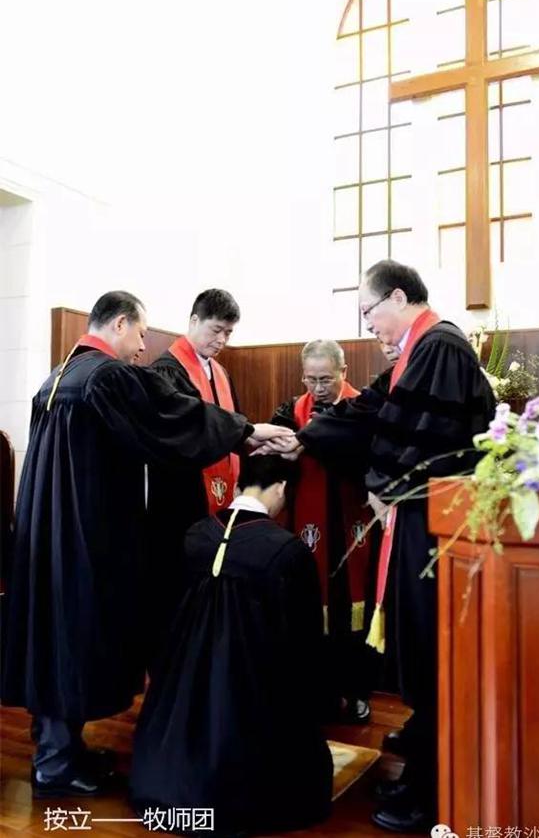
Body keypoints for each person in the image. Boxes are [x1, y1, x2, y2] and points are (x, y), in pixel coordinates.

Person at [1, 291, 291, 799]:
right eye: (139, 335)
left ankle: (58, 751)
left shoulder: (57, 376)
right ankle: (55, 766)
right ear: (119, 324)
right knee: (72, 640)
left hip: (47, 534)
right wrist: (246, 431)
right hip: (85, 535)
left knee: (56, 639)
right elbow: (169, 418)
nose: (141, 348)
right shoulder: (105, 376)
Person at [276, 261, 496, 833]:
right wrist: (301, 435)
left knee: (431, 651)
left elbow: (418, 440)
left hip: (436, 527)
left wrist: (380, 485)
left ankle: (429, 790)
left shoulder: (439, 348)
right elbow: (371, 411)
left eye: (369, 312)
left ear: (398, 297)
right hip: (421, 522)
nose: (369, 325)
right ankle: (424, 747)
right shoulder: (415, 353)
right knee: (420, 650)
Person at [130, 454, 333, 837]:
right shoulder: (288, 551)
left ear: (238, 487)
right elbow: (304, 636)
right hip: (254, 680)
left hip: (184, 671)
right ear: (282, 489)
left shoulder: (194, 534)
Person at [271, 339, 376, 724]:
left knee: (354, 612)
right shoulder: (291, 412)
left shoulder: (361, 407)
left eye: (326, 379)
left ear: (343, 373)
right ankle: (321, 693)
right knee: (313, 610)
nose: (318, 388)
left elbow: (368, 456)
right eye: (311, 379)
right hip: (308, 527)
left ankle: (357, 691)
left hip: (354, 523)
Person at [146, 289, 243, 646]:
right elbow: (184, 432)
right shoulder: (165, 371)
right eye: (215, 330)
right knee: (177, 593)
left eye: (228, 333)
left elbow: (231, 427)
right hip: (180, 504)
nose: (221, 340)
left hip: (216, 504)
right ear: (193, 321)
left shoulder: (220, 372)